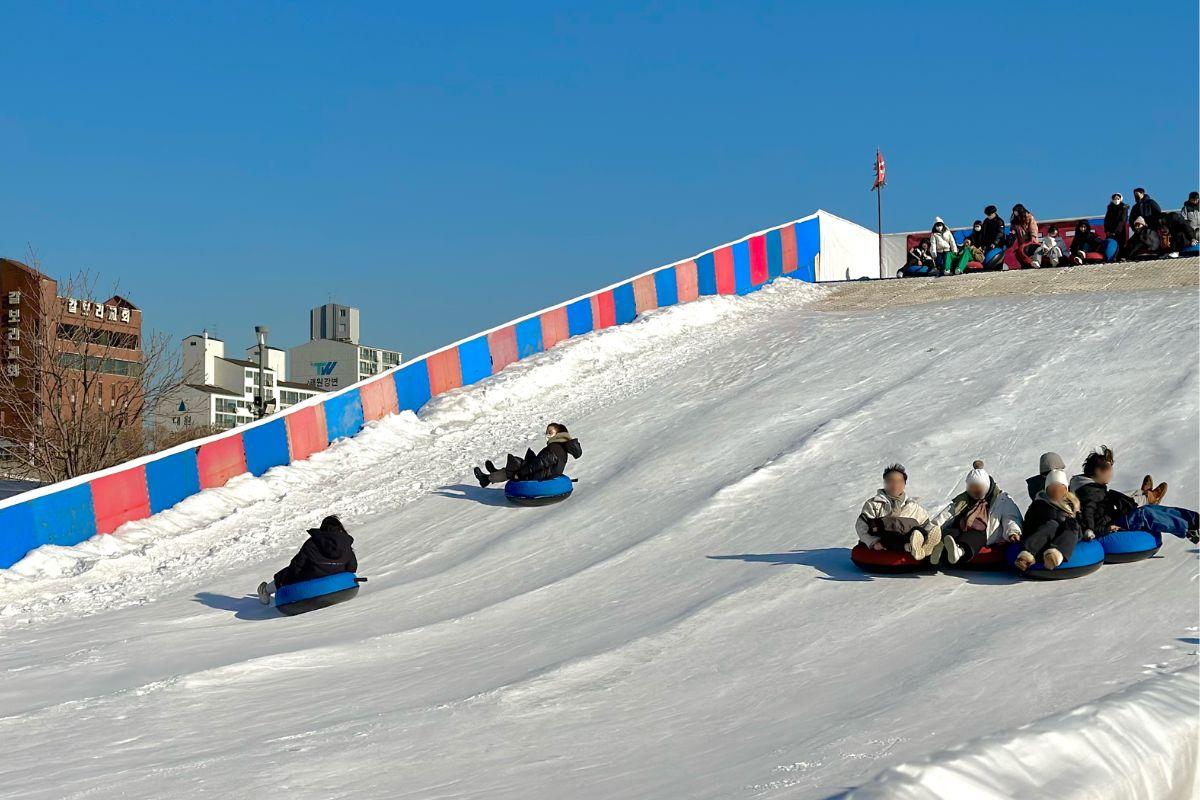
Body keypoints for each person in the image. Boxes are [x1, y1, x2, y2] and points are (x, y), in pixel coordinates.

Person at [1070, 446, 1199, 544]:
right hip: (1112, 525)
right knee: (1144, 513)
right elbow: (1087, 518)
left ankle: (1195, 520)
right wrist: (1103, 529)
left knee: (1148, 509)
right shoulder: (1088, 493)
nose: (1111, 473)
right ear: (1098, 471)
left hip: (1113, 519)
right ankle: (1189, 528)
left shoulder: (1091, 487)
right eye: (1109, 468)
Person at [928, 460, 1023, 566]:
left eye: (978, 488)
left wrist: (1013, 532)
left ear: (986, 486)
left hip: (986, 533)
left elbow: (1010, 517)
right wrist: (932, 528)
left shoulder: (1001, 499)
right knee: (947, 533)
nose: (975, 491)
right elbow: (947, 515)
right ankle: (937, 550)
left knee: (973, 539)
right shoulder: (964, 499)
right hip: (963, 528)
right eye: (972, 488)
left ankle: (960, 552)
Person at [258, 515, 358, 604]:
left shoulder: (313, 543)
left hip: (310, 578)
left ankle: (265, 590)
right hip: (337, 581)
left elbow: (296, 566)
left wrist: (285, 580)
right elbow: (352, 567)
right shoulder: (346, 545)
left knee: (286, 574)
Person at [855, 463, 940, 558]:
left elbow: (925, 524)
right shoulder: (874, 504)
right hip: (884, 542)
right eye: (891, 481)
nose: (895, 485)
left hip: (908, 538)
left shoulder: (913, 507)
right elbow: (861, 526)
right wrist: (873, 542)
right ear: (885, 483)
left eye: (899, 481)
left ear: (904, 484)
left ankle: (924, 547)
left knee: (918, 530)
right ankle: (909, 547)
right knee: (891, 530)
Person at [475, 422, 582, 486]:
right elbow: (544, 462)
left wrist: (520, 474)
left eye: (550, 433)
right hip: (546, 472)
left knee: (516, 466)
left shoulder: (554, 448)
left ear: (557, 434)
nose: (547, 435)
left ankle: (487, 479)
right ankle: (495, 473)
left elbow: (537, 465)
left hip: (541, 475)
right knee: (521, 463)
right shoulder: (560, 447)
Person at [1013, 470, 1081, 571]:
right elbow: (1029, 523)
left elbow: (1079, 526)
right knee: (1052, 525)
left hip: (1063, 537)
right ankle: (1026, 556)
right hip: (1041, 537)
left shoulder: (1072, 504)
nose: (1056, 491)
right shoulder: (1040, 503)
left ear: (1065, 489)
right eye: (1053, 487)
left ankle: (1054, 556)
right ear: (1047, 489)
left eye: (1060, 487)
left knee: (1071, 525)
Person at [1009, 204, 1041, 268]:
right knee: (1018, 253)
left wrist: (1033, 236)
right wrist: (1013, 232)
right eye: (1014, 211)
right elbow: (1013, 229)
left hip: (1031, 240)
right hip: (1022, 242)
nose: (1015, 213)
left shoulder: (1029, 217)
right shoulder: (1015, 221)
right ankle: (1026, 265)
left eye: (1016, 211)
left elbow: (1033, 228)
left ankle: (1031, 263)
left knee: (1022, 250)